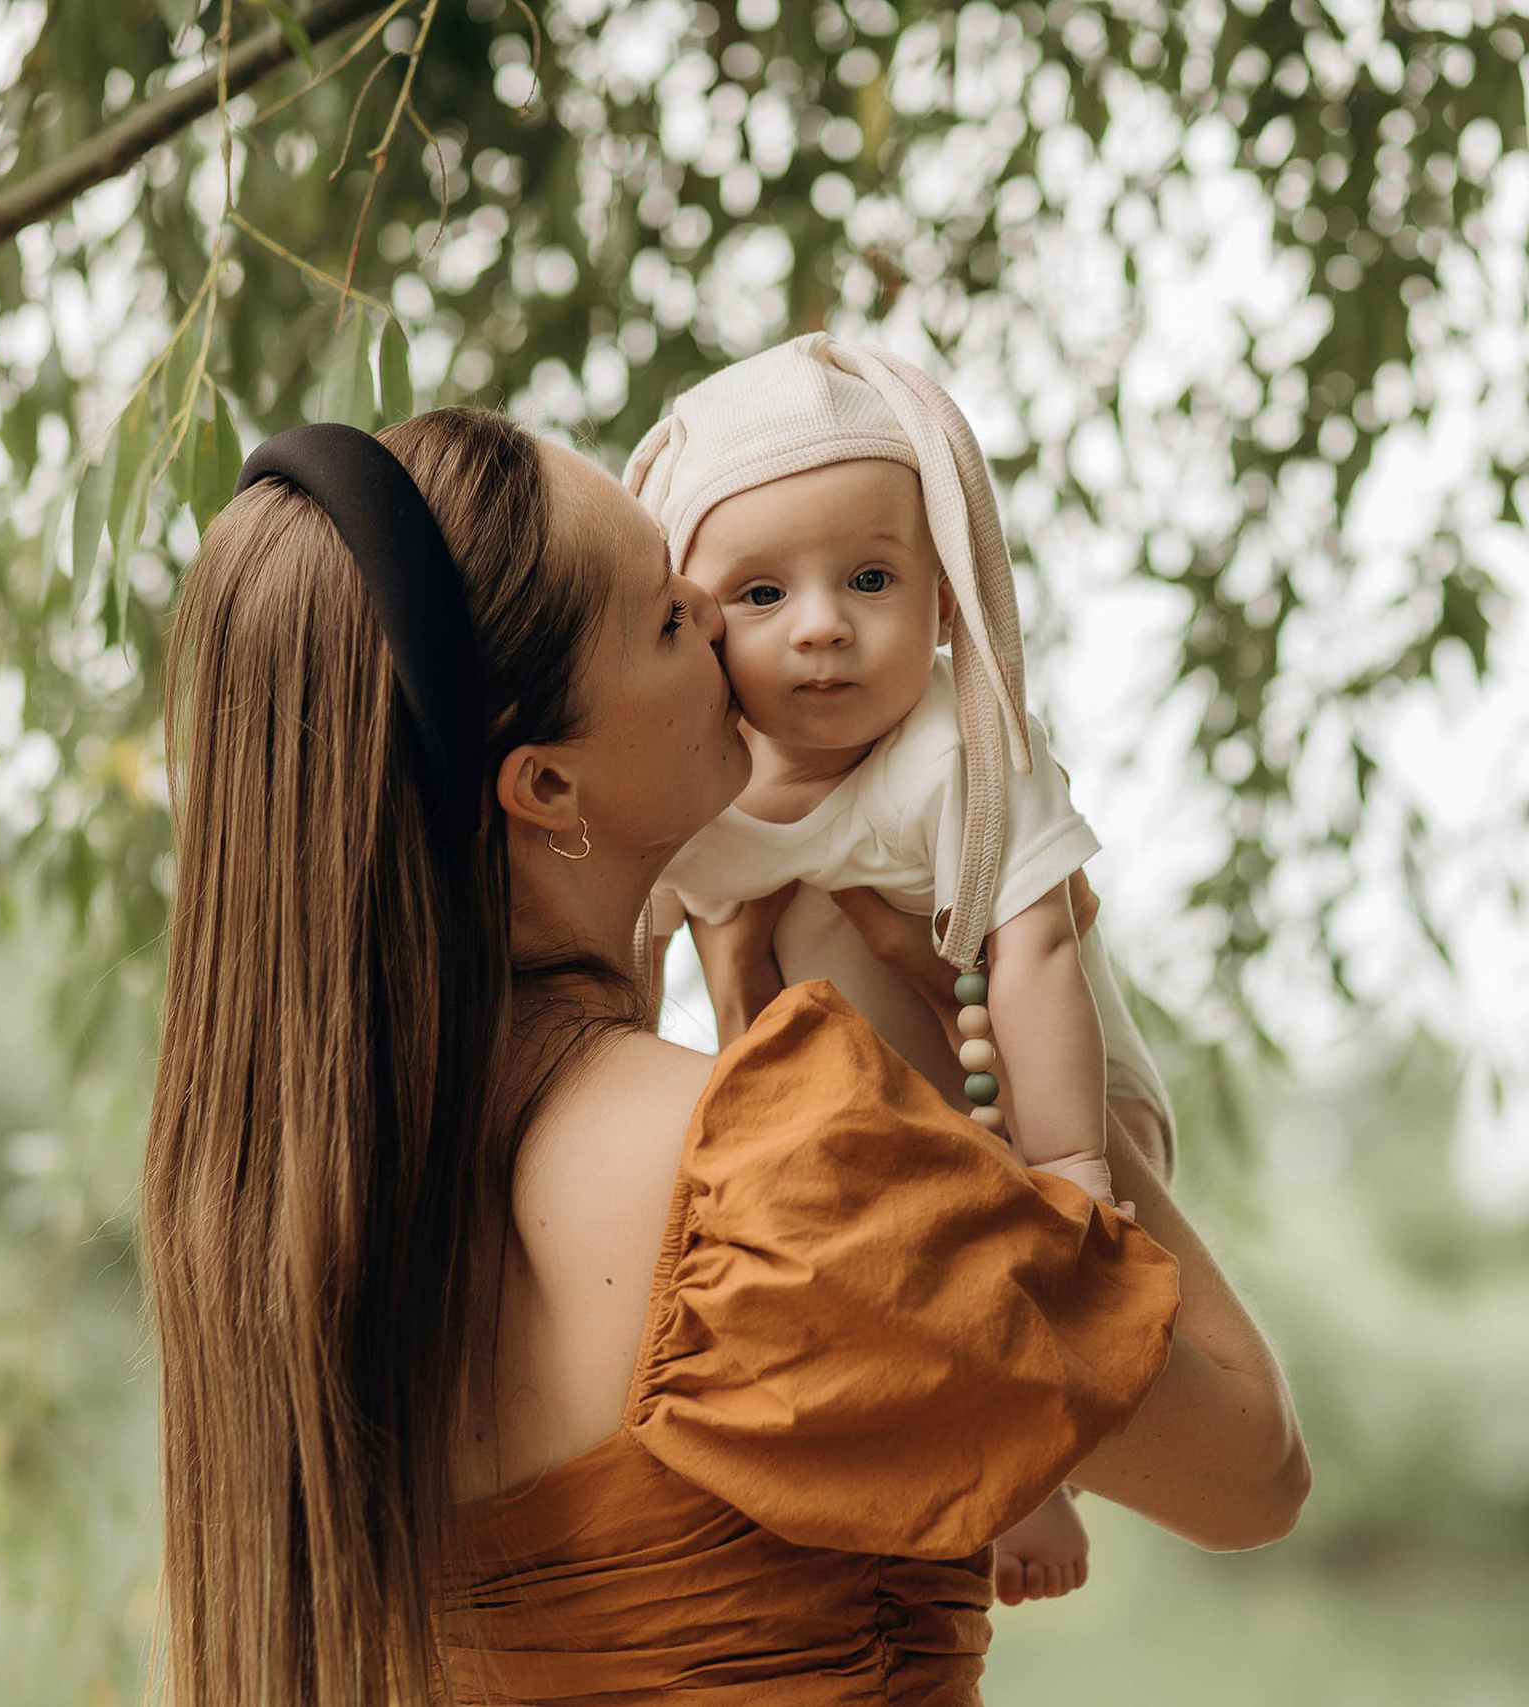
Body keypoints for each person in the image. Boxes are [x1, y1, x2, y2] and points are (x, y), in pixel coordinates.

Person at [141, 407, 1307, 1707]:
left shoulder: (308, 1208)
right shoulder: (772, 1159)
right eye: (666, 615)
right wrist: (1039, 1088)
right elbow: (1252, 1469)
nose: (723, 617)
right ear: (546, 787)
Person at [628, 332, 1172, 1593]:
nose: (822, 627)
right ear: (694, 624)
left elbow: (1036, 949)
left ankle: (1037, 1468)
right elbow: (640, 966)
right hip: (888, 1125)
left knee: (994, 1255)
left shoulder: (958, 747)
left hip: (1055, 1091)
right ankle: (958, 1472)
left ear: (943, 599)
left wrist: (1073, 1182)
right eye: (762, 596)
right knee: (855, 1257)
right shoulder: (690, 786)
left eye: (869, 578)